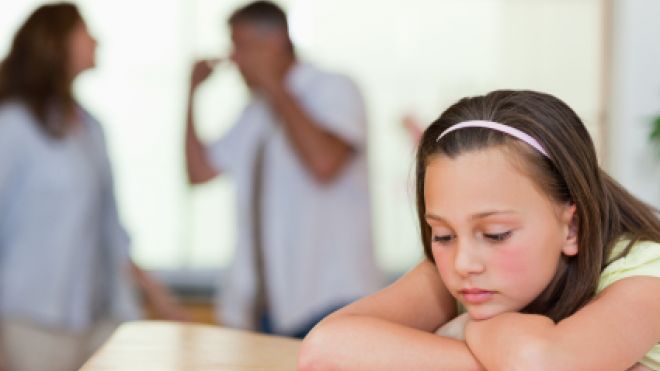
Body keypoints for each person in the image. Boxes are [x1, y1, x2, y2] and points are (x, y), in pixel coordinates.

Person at [299, 90, 660, 370]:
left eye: (496, 234)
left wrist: (468, 330)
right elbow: (325, 351)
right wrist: (497, 356)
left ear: (572, 227)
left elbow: (544, 363)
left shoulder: (647, 275)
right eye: (442, 235)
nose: (463, 263)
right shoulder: (466, 270)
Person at [0, 4, 189, 371]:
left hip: (96, 320)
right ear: (55, 43)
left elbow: (111, 231)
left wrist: (158, 297)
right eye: (84, 31)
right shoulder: (13, 127)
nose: (96, 40)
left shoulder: (90, 128)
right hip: (31, 325)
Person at [185, 1, 382, 337]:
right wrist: (191, 95)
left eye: (240, 46)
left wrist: (275, 84)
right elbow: (199, 172)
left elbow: (323, 163)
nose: (234, 59)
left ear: (274, 42)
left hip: (333, 301)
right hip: (271, 310)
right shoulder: (255, 112)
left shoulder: (334, 88)